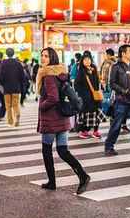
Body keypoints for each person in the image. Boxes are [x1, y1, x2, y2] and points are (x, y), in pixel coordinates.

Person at [36, 47, 90, 195]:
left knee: (47, 150)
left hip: (51, 119)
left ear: (52, 58)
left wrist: (42, 106)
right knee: (63, 151)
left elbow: (53, 97)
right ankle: (83, 175)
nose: (43, 58)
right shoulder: (61, 73)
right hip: (63, 116)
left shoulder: (47, 75)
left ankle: (52, 182)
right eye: (42, 56)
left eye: (46, 56)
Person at [75, 52, 106, 139]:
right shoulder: (81, 71)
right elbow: (76, 86)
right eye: (85, 59)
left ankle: (95, 131)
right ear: (82, 61)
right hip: (87, 98)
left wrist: (101, 86)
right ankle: (83, 131)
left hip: (96, 96)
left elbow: (97, 82)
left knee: (97, 113)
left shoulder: (94, 69)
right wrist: (84, 94)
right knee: (86, 115)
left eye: (88, 59)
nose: (87, 61)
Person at [0, 48, 25, 127]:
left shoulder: (3, 63)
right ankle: (17, 114)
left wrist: (3, 84)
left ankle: (10, 122)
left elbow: (1, 76)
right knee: (15, 104)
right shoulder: (18, 63)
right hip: (16, 87)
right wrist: (20, 85)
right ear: (13, 53)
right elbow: (22, 76)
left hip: (7, 87)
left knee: (8, 105)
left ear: (6, 54)